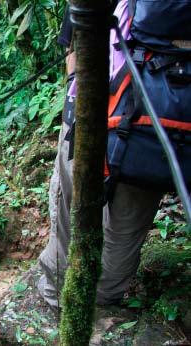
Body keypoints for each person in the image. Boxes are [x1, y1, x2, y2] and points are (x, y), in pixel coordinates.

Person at [38, 0, 166, 307]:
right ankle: (102, 300)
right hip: (156, 136)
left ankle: (56, 296)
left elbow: (74, 43)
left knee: (68, 215)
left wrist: (73, 93)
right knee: (124, 230)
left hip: (90, 120)